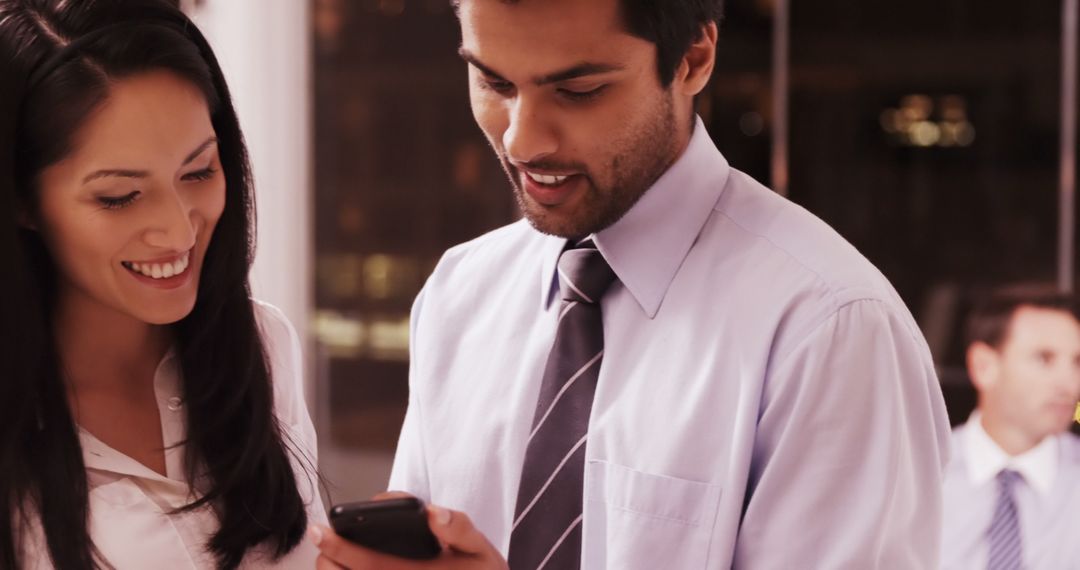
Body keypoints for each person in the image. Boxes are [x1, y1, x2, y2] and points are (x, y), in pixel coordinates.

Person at [311, 0, 951, 568]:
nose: (521, 138)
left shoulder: (830, 329)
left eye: (579, 89)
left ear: (693, 59)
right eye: (494, 81)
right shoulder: (461, 294)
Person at [0, 0, 325, 567]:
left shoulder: (262, 346)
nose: (179, 229)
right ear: (22, 200)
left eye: (198, 171)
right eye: (119, 196)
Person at [941, 285, 1080, 569]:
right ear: (983, 366)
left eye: (1077, 362)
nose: (1069, 383)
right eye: (1044, 359)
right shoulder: (922, 477)